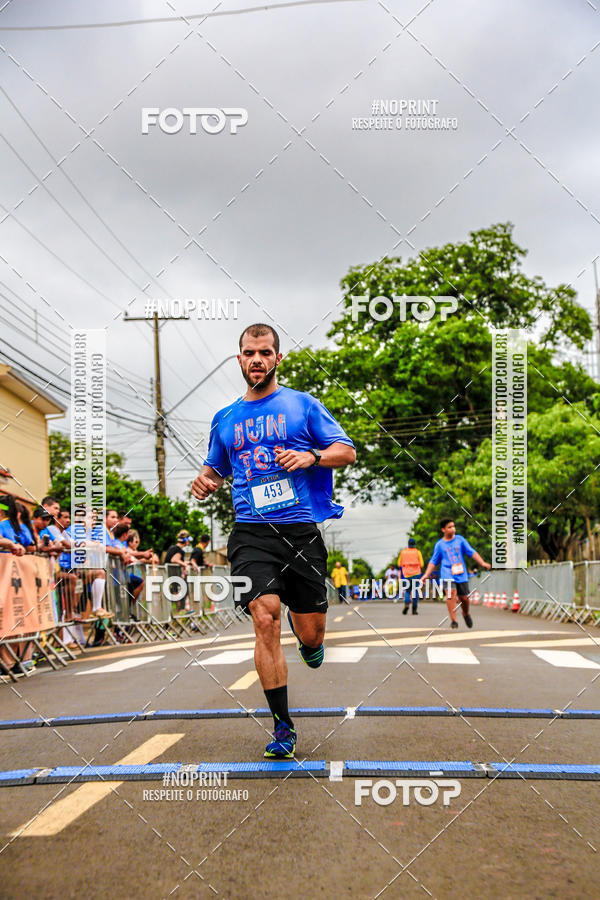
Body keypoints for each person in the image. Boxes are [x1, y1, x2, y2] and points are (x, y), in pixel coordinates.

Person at [192, 322, 355, 760]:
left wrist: (311, 456)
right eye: (249, 353)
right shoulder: (225, 418)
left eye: (265, 352)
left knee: (312, 633)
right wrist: (205, 481)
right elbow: (214, 468)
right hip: (251, 532)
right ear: (240, 359)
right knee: (264, 616)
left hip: (299, 531)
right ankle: (283, 726)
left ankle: (309, 644)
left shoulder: (302, 405)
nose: (257, 360)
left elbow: (346, 451)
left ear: (277, 358)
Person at [422, 518, 491, 628]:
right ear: (443, 529)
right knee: (451, 595)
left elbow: (472, 552)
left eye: (453, 526)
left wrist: (482, 563)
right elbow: (433, 561)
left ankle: (466, 613)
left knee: (464, 598)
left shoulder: (460, 540)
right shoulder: (440, 545)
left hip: (461, 574)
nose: (453, 529)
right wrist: (426, 574)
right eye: (449, 527)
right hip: (447, 573)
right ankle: (454, 620)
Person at [398, 538, 424, 615]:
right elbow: (422, 564)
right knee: (415, 590)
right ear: (414, 544)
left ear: (408, 544)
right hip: (416, 574)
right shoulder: (418, 552)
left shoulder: (403, 552)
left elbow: (399, 563)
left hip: (406, 574)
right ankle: (414, 609)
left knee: (407, 591)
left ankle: (406, 604)